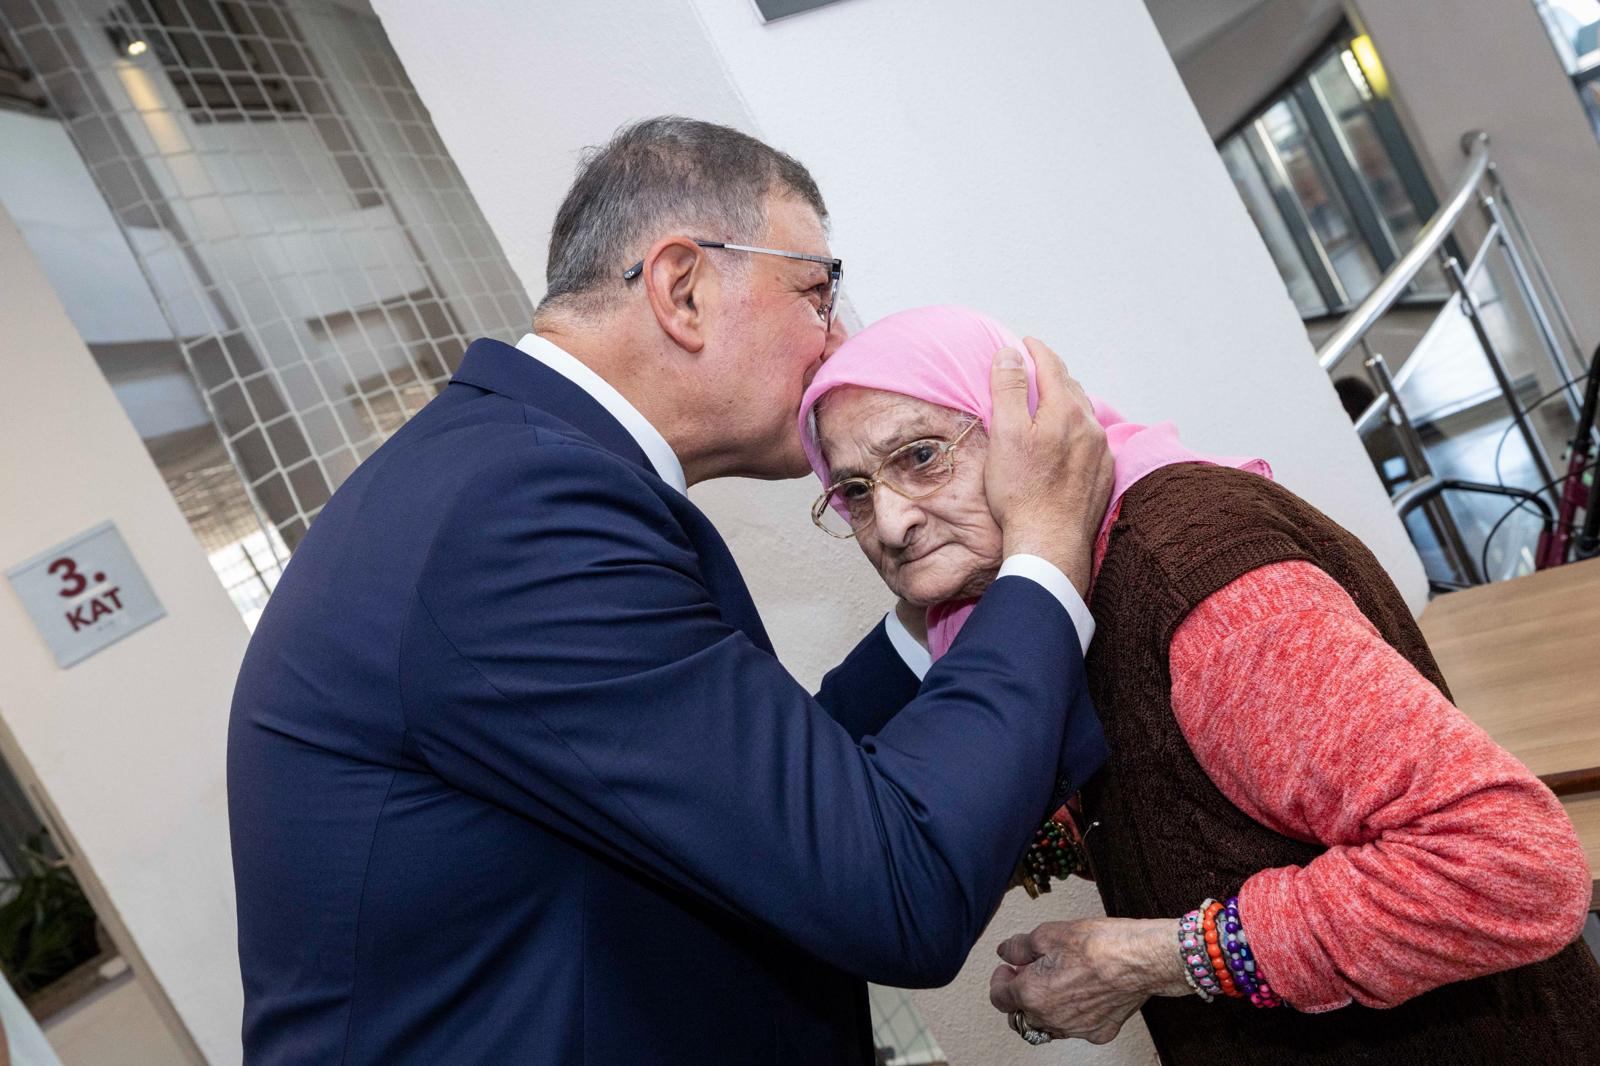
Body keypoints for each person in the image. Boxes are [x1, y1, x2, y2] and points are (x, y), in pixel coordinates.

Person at [227, 119, 1115, 1064]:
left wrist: (933, 615)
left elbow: (756, 801)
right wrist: (1045, 552)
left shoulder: (502, 477)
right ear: (682, 288)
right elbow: (896, 887)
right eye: (816, 292)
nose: (839, 340)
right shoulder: (521, 514)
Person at [798, 305, 1600, 1064]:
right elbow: (1203, 784)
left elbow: (1508, 866)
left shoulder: (1194, 586)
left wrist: (1159, 959)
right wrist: (1048, 841)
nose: (893, 523)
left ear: (1028, 428)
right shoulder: (1065, 589)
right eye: (856, 492)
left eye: (922, 457)